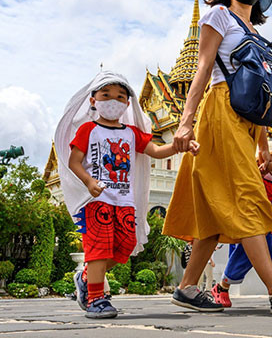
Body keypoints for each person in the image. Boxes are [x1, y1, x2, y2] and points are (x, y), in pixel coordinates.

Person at [163, 0, 272, 315]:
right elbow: (202, 67)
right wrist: (186, 121)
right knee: (247, 195)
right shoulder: (217, 17)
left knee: (216, 209)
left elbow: (260, 97)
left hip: (247, 122)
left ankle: (187, 288)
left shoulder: (256, 34)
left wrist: (262, 146)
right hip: (219, 112)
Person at [55, 72, 198, 319]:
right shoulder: (88, 130)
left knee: (125, 247)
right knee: (99, 249)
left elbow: (155, 149)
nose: (113, 100)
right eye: (106, 95)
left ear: (127, 103)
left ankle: (87, 276)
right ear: (93, 101)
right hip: (97, 200)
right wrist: (89, 182)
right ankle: (96, 299)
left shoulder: (131, 133)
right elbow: (74, 161)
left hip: (124, 201)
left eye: (120, 96)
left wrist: (177, 146)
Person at [211, 140, 272, 307]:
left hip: (271, 231)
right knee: (241, 260)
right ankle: (222, 287)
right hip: (251, 231)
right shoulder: (253, 179)